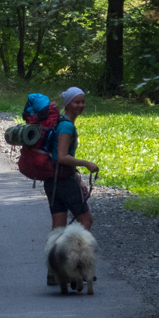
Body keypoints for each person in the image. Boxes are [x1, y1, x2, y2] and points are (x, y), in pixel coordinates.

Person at [45, 86, 99, 284]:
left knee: (58, 228)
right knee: (86, 221)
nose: (81, 105)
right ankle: (78, 265)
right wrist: (86, 164)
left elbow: (56, 157)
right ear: (67, 104)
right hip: (63, 182)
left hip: (52, 181)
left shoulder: (60, 122)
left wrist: (76, 176)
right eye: (77, 102)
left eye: (83, 101)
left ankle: (54, 272)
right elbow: (61, 156)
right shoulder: (67, 126)